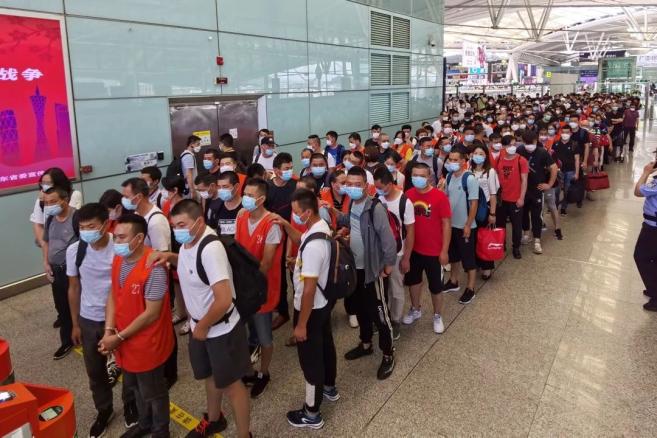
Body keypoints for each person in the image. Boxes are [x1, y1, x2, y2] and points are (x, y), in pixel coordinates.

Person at [150, 200, 251, 438]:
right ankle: (214, 419)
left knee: (232, 385)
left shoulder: (211, 249)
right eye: (174, 226)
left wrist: (203, 326)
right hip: (201, 326)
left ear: (199, 222)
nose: (177, 230)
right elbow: (191, 264)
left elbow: (223, 299)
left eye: (182, 225)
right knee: (210, 375)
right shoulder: (189, 242)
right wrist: (170, 256)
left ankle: (244, 434)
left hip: (220, 329)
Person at [98, 214, 173, 438]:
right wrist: (109, 330)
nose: (117, 242)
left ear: (139, 238)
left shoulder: (154, 267)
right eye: (115, 237)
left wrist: (118, 337)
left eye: (122, 237)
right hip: (125, 340)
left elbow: (151, 314)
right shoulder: (120, 259)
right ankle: (144, 423)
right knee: (134, 386)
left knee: (153, 391)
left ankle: (161, 430)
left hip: (147, 343)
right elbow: (114, 293)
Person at [272, 189, 337, 429]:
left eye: (297, 213)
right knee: (325, 346)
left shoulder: (314, 246)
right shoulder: (319, 227)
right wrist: (285, 225)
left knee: (310, 359)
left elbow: (308, 290)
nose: (295, 216)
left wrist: (300, 325)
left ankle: (312, 413)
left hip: (310, 308)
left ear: (308, 212)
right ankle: (329, 387)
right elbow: (302, 239)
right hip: (323, 303)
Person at [67, 203, 123, 437]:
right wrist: (75, 323)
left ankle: (131, 404)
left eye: (91, 227)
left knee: (129, 366)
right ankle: (104, 409)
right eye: (82, 227)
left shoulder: (119, 247)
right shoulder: (75, 250)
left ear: (106, 225)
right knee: (95, 371)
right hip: (89, 318)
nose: (86, 232)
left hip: (120, 317)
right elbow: (73, 288)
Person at [337, 167, 397, 380]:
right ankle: (365, 343)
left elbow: (388, 240)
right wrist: (336, 217)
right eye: (349, 184)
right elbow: (351, 222)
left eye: (357, 184)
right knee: (361, 308)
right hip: (356, 269)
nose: (353, 188)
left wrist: (388, 265)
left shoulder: (375, 208)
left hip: (373, 271)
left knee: (380, 314)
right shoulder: (352, 202)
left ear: (366, 186)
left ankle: (388, 353)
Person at [235, 178, 284, 398]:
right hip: (242, 288)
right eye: (244, 193)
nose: (245, 198)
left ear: (261, 199)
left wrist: (250, 286)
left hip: (261, 289)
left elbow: (266, 263)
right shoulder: (241, 216)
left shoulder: (271, 224)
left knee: (264, 337)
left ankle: (264, 373)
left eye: (250, 195)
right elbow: (237, 248)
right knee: (243, 333)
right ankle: (247, 371)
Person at [403, 163, 452, 334]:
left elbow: (446, 224)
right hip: (413, 250)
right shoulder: (408, 195)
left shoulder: (440, 197)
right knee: (413, 282)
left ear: (429, 176)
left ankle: (437, 315)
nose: (418, 178)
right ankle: (415, 309)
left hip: (434, 252)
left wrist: (444, 251)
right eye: (415, 175)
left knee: (436, 287)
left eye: (422, 175)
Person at [373, 167, 414, 340]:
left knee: (396, 289)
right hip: (380, 253)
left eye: (380, 187)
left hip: (398, 253)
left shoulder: (405, 202)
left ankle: (395, 320)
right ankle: (382, 317)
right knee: (381, 289)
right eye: (376, 187)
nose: (378, 190)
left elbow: (410, 232)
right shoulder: (377, 198)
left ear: (390, 184)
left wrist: (406, 258)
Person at [41, 186, 78, 360]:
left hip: (72, 271)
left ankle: (84, 335)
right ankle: (67, 340)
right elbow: (46, 241)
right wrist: (46, 262)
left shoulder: (76, 217)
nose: (49, 206)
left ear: (65, 200)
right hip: (56, 271)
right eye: (47, 203)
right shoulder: (50, 218)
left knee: (77, 304)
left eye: (53, 202)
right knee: (62, 307)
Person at [443, 147, 479, 304]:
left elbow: (474, 204)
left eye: (455, 160)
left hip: (465, 226)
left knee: (468, 259)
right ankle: (453, 281)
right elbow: (446, 198)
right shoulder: (449, 177)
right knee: (454, 256)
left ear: (463, 161)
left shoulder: (469, 179)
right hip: (451, 225)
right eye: (450, 159)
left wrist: (468, 225)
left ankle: (470, 288)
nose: (452, 162)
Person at [267, 153, 297, 330]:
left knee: (296, 275)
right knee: (279, 277)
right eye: (286, 169)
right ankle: (283, 311)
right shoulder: (268, 188)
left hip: (294, 234)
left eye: (290, 168)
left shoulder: (295, 185)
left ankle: (301, 308)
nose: (289, 171)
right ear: (276, 170)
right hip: (276, 237)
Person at [518, 131, 557, 255]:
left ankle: (537, 240)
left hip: (537, 189)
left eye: (532, 142)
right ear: (523, 142)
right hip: (522, 189)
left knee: (537, 215)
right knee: (523, 213)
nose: (529, 145)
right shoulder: (520, 150)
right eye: (526, 143)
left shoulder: (542, 152)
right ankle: (526, 234)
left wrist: (549, 184)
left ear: (536, 141)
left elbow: (554, 168)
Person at [30, 167, 83, 250]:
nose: (45, 186)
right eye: (43, 183)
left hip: (70, 243)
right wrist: (45, 246)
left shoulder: (73, 194)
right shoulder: (40, 200)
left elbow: (70, 219)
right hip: (51, 245)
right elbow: (38, 224)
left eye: (48, 183)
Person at [495, 136, 529, 259]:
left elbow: (524, 180)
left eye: (514, 144)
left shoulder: (521, 160)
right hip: (501, 199)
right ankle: (501, 243)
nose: (512, 147)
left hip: (515, 199)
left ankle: (516, 247)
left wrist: (521, 198)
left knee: (517, 225)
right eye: (509, 145)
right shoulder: (499, 159)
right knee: (500, 224)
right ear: (503, 147)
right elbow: (496, 176)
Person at [470, 144, 499, 279]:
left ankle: (487, 267)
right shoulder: (469, 169)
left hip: (485, 208)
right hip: (472, 208)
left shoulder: (490, 171)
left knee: (485, 238)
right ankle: (476, 263)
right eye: (476, 153)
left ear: (486, 156)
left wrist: (492, 213)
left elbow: (493, 194)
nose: (478, 156)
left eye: (481, 154)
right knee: (474, 238)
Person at [634, 160, 657, 311]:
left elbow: (638, 191)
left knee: (641, 257)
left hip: (653, 228)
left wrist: (646, 172)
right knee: (653, 258)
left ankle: (655, 294)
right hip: (652, 225)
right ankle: (654, 287)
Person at [552, 125, 581, 216]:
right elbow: (552, 158)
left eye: (567, 132)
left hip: (570, 171)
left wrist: (576, 173)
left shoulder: (574, 144)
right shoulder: (556, 144)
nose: (565, 134)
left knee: (567, 190)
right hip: (558, 171)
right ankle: (555, 206)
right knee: (556, 191)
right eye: (563, 132)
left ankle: (564, 208)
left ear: (570, 133)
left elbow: (577, 159)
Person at [182, 135, 201, 200]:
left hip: (189, 186)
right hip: (190, 188)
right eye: (198, 144)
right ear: (191, 144)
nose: (199, 146)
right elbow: (189, 175)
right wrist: (193, 191)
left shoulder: (185, 154)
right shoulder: (188, 156)